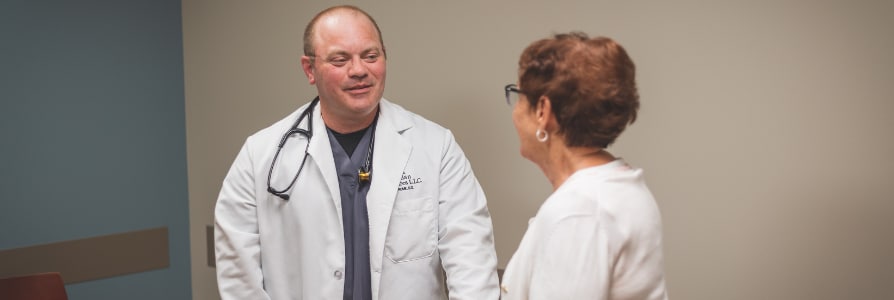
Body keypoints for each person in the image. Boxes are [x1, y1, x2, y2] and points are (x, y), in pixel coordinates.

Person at [213, 5, 499, 300]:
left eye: (370, 56)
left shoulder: (436, 147)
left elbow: (472, 264)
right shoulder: (259, 156)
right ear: (309, 69)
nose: (359, 70)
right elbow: (239, 276)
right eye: (340, 60)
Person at [499, 32, 669, 299]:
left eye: (519, 96)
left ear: (543, 111)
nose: (515, 111)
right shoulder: (618, 184)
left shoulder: (578, 213)